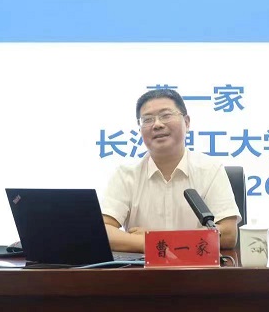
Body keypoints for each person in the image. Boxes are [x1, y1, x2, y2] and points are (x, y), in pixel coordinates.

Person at [100, 89, 241, 253]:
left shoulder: (210, 170)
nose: (157, 124)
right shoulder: (125, 175)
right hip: (142, 268)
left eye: (166, 115)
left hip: (197, 268)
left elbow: (228, 234)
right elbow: (103, 231)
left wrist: (157, 240)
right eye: (147, 119)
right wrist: (149, 243)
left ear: (186, 122)